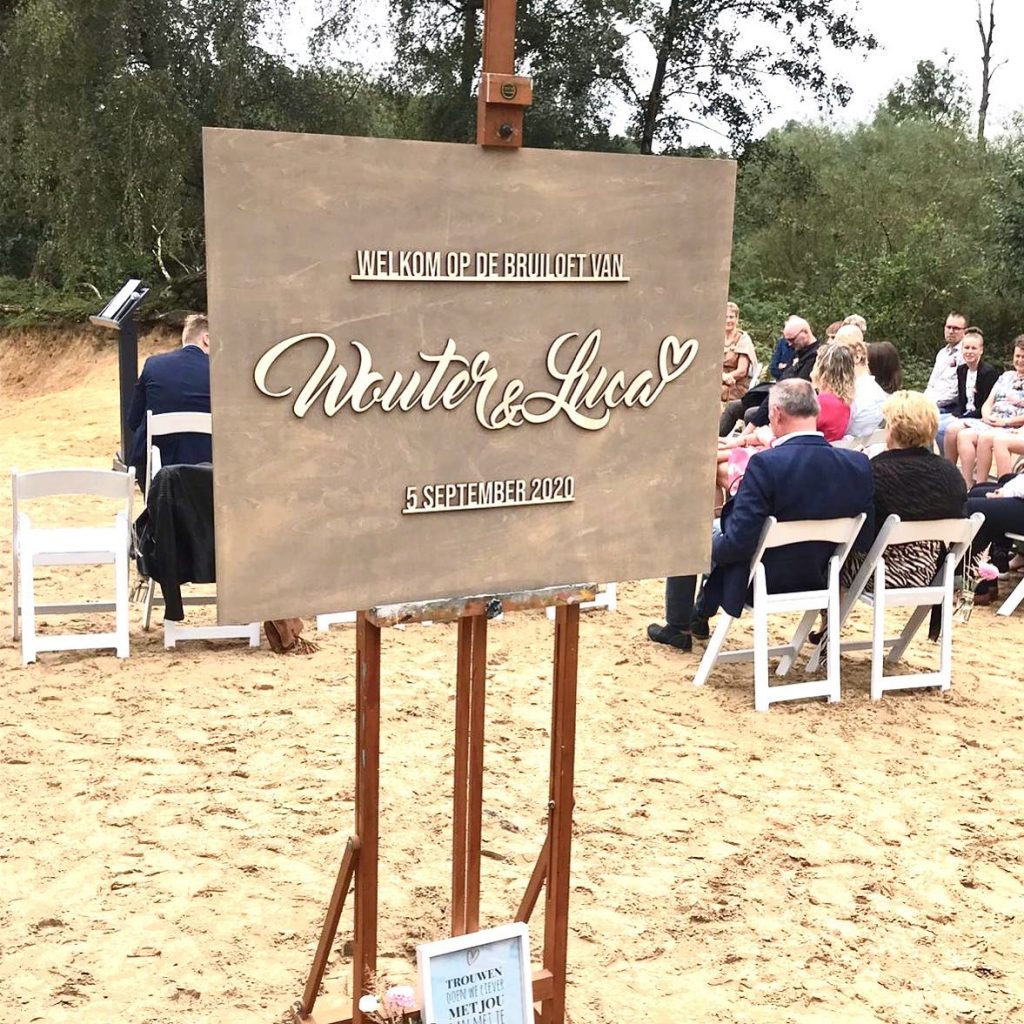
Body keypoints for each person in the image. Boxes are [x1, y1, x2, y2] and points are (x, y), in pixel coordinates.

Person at [648, 379, 874, 651]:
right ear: (815, 412)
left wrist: (700, 544)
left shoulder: (766, 465)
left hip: (761, 580)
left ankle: (678, 627)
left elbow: (737, 545)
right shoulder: (857, 465)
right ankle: (699, 614)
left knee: (688, 534)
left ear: (776, 414)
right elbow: (864, 538)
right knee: (722, 533)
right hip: (821, 579)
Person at [841, 391, 967, 592]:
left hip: (874, 572)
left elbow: (858, 530)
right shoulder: (950, 473)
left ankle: (833, 613)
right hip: (927, 571)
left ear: (892, 428)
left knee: (832, 559)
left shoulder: (874, 472)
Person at [126, 314, 212, 486]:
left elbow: (133, 420)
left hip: (161, 470)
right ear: (207, 338)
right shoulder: (218, 369)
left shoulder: (154, 365)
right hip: (209, 469)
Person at [720, 315, 819, 435]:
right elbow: (775, 370)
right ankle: (713, 441)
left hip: (791, 406)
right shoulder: (798, 351)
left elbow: (789, 388)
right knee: (734, 407)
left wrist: (746, 432)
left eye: (792, 340)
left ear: (805, 332)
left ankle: (747, 443)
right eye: (787, 340)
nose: (789, 345)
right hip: (776, 394)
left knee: (751, 414)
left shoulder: (815, 357)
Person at [954, 336, 1024, 486]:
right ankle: (967, 485)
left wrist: (1005, 422)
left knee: (985, 438)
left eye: (1023, 357)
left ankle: (985, 484)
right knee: (964, 435)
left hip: (1013, 425)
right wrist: (986, 415)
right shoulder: (1006, 376)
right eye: (1017, 356)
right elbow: (989, 401)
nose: (1020, 360)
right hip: (993, 420)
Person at [942, 327, 1000, 463]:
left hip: (979, 416)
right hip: (964, 413)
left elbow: (987, 405)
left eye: (973, 348)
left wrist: (961, 418)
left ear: (981, 350)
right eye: (966, 348)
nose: (969, 351)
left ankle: (950, 465)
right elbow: (962, 400)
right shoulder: (961, 370)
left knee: (949, 429)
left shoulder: (988, 373)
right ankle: (945, 464)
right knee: (935, 424)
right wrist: (956, 415)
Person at [834, 325, 886, 438]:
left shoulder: (865, 395)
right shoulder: (858, 391)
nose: (834, 359)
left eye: (841, 352)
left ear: (857, 356)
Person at [721, 301, 758, 402]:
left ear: (737, 318)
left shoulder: (743, 339)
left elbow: (742, 371)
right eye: (725, 317)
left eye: (731, 317)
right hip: (717, 380)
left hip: (736, 384)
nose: (728, 320)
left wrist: (726, 377)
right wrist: (720, 377)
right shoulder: (716, 338)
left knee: (712, 393)